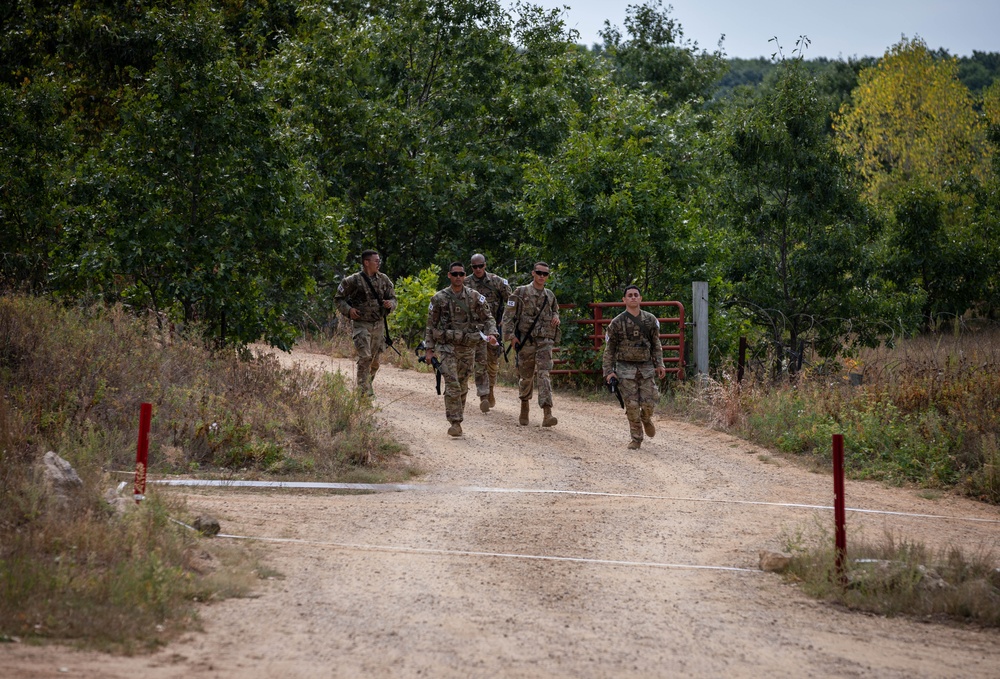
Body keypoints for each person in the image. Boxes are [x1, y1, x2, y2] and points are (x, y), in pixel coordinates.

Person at [425, 262, 499, 437]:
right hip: (447, 347)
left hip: (467, 347)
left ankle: (458, 416)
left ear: (465, 276)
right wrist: (429, 349)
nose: (458, 277)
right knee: (452, 384)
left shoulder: (475, 297)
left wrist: (492, 333)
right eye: (455, 274)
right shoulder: (439, 298)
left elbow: (488, 318)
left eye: (461, 274)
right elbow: (430, 325)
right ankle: (455, 422)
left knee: (463, 384)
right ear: (449, 275)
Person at [602, 285, 667, 449]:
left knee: (649, 402)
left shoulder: (650, 320)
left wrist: (660, 364)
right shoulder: (616, 323)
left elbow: (656, 344)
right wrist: (609, 372)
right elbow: (609, 349)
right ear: (624, 300)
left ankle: (646, 418)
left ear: (640, 298)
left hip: (646, 368)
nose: (632, 297)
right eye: (629, 295)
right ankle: (636, 438)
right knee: (631, 405)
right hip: (625, 369)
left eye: (635, 295)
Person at [503, 261, 560, 427]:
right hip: (526, 341)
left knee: (544, 374)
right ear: (533, 273)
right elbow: (508, 316)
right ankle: (524, 405)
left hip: (544, 341)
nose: (542, 276)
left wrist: (556, 317)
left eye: (545, 274)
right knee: (526, 376)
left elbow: (555, 309)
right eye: (539, 272)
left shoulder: (549, 295)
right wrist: (511, 336)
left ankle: (547, 412)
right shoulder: (520, 292)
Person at [333, 250, 397, 395]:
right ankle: (364, 394)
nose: (378, 263)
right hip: (361, 324)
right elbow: (338, 298)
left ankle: (367, 385)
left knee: (374, 362)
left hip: (378, 325)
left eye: (379, 260)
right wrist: (349, 310)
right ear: (366, 262)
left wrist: (390, 304)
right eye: (376, 261)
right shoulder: (353, 280)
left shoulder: (384, 280)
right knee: (365, 357)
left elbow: (394, 299)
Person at [465, 253, 512, 412]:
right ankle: (483, 396)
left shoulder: (497, 282)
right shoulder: (466, 283)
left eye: (481, 266)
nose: (478, 269)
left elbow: (511, 302)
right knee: (480, 362)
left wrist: (504, 320)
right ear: (471, 267)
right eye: (474, 267)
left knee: (492, 362)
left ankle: (490, 389)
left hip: (493, 328)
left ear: (485, 265)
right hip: (474, 328)